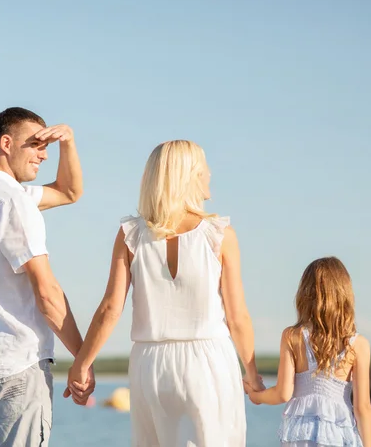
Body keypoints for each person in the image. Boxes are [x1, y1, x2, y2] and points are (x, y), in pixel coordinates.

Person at [67, 140, 263, 446]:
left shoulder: (130, 234)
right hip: (207, 361)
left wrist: (81, 364)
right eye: (203, 168)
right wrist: (251, 372)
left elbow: (110, 308)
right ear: (189, 175)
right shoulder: (220, 235)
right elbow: (238, 317)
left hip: (149, 364)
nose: (209, 174)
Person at [0, 107, 95, 447]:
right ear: (6, 143)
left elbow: (68, 192)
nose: (43, 155)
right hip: (17, 368)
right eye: (35, 144)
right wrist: (82, 359)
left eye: (46, 146)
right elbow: (47, 294)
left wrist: (69, 143)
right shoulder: (12, 202)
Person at [245, 257, 371, 447]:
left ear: (305, 294)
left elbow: (282, 394)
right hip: (338, 435)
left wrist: (256, 395)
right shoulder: (358, 344)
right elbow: (362, 407)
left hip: (300, 436)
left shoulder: (293, 336)